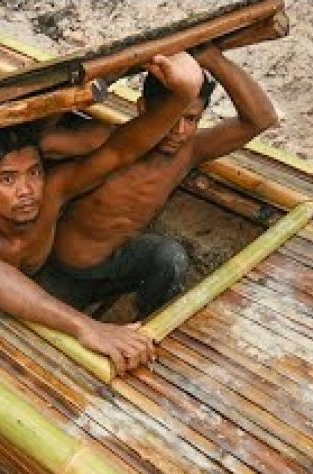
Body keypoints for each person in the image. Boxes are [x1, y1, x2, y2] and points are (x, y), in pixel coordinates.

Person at [0, 52, 204, 374]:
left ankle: (140, 334)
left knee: (167, 257)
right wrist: (86, 326)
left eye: (34, 173)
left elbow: (121, 150)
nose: (26, 190)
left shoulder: (53, 190)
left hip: (55, 286)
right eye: (8, 179)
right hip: (4, 306)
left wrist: (182, 96)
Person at [36, 41, 278, 319]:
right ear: (143, 108)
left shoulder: (189, 152)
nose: (179, 131)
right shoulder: (106, 140)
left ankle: (147, 328)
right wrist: (114, 71)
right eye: (171, 118)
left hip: (120, 266)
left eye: (191, 119)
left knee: (169, 256)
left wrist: (212, 59)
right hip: (65, 273)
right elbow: (41, 141)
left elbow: (261, 119)